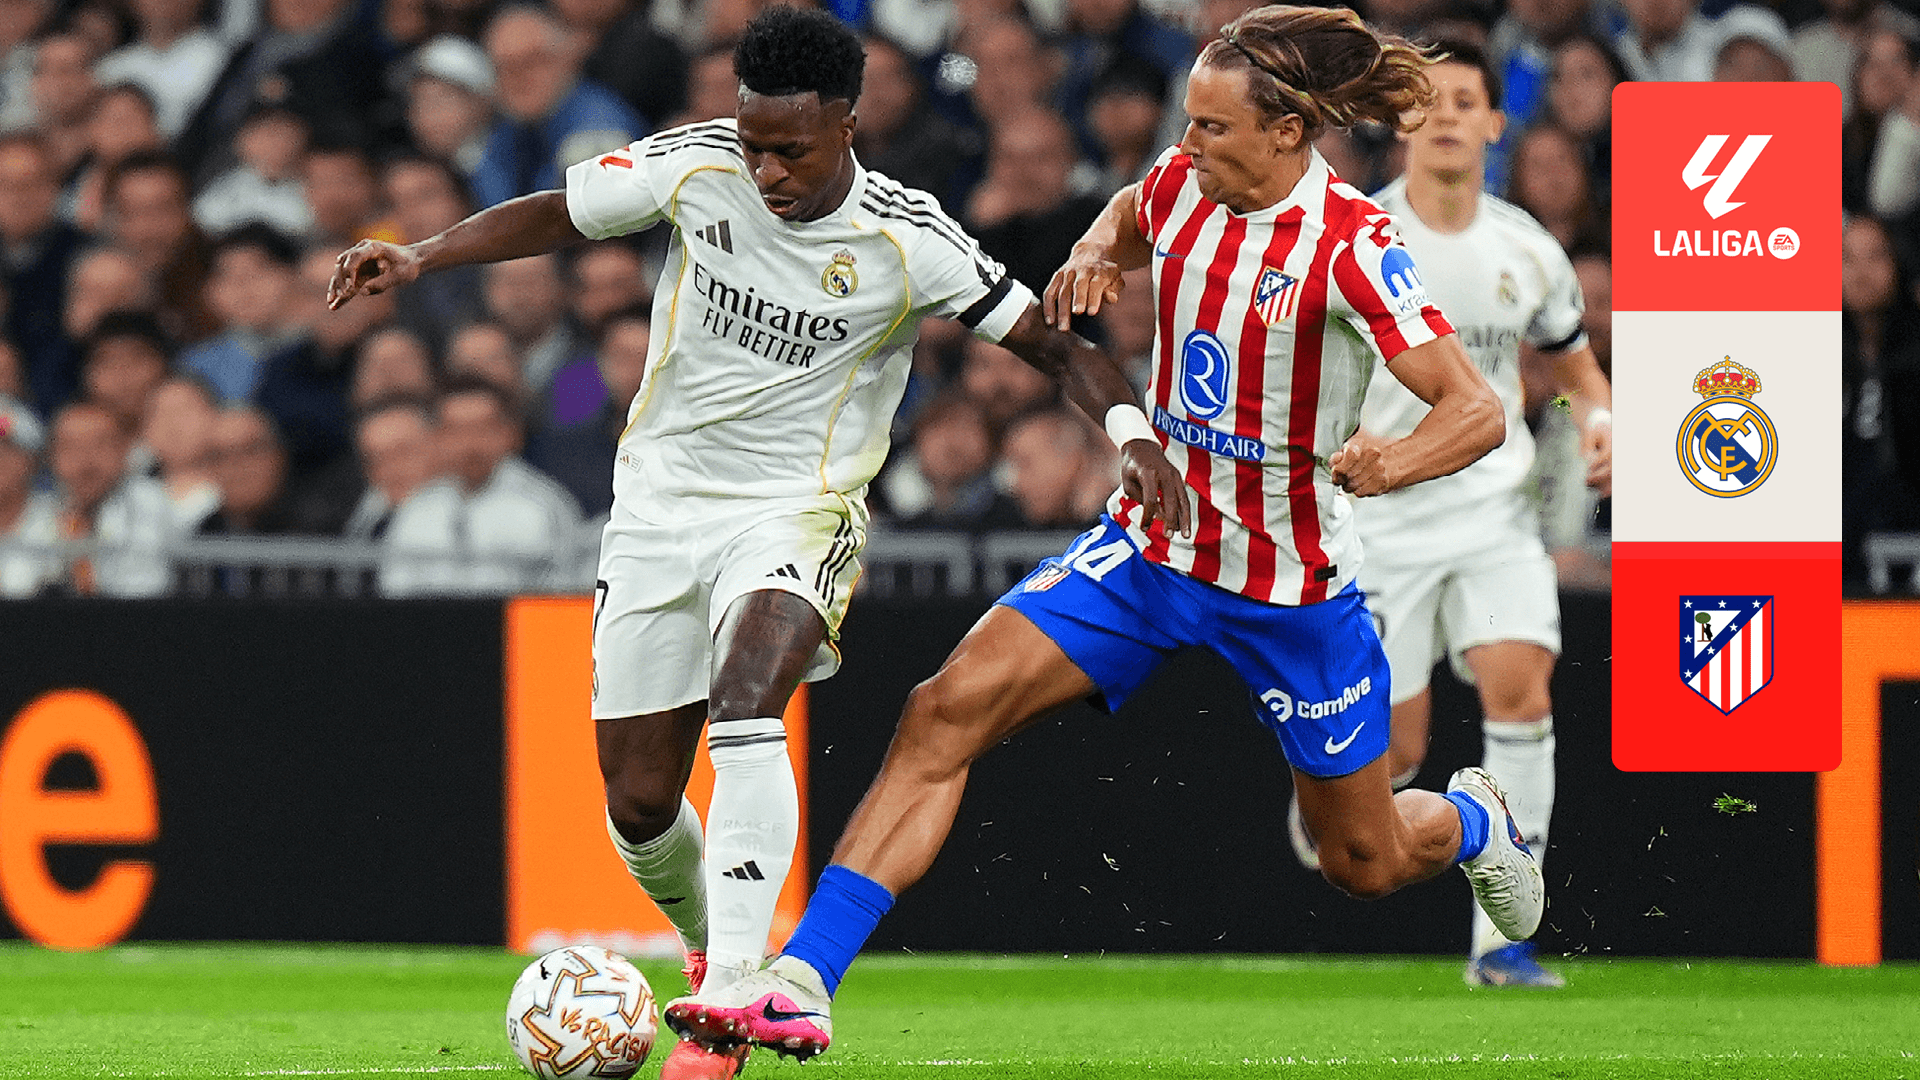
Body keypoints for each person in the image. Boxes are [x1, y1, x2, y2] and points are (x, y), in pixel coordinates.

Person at [664, 5, 1538, 1061]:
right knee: (944, 710)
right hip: (1150, 549)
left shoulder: (1353, 246)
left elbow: (1475, 409)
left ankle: (1475, 821)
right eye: (1189, 120)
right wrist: (1091, 253)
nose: (1187, 143)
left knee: (1364, 862)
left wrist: (1392, 462)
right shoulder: (1180, 184)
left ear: (1286, 133)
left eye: (1212, 127)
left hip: (1290, 588)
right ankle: (804, 981)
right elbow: (1132, 209)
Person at [326, 8, 1181, 1078]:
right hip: (657, 508)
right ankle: (704, 943)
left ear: (847, 126)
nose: (767, 171)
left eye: (792, 150)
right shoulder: (697, 165)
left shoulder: (908, 237)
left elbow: (1056, 347)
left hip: (795, 510)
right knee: (640, 803)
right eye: (754, 144)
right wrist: (421, 254)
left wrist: (1132, 436)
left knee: (746, 699)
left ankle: (732, 994)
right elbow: (564, 211)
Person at [1278, 41, 1613, 989]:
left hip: (1495, 515)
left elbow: (1577, 374)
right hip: (1378, 522)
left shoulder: (1527, 250)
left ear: (1496, 123)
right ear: (1402, 121)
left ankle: (1504, 944)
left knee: (1522, 691)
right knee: (1400, 750)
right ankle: (1328, 797)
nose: (1449, 116)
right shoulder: (1358, 238)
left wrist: (1599, 422)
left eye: (1468, 101)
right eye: (1430, 101)